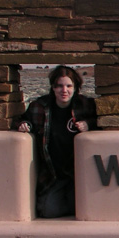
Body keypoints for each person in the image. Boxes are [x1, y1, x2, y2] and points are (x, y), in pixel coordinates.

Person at [14, 65, 97, 218]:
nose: (63, 90)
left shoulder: (85, 106)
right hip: (53, 174)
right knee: (48, 211)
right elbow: (23, 120)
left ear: (76, 87)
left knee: (84, 207)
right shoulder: (39, 106)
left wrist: (88, 124)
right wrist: (24, 125)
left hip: (77, 174)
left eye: (68, 86)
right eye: (59, 86)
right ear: (52, 87)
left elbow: (100, 122)